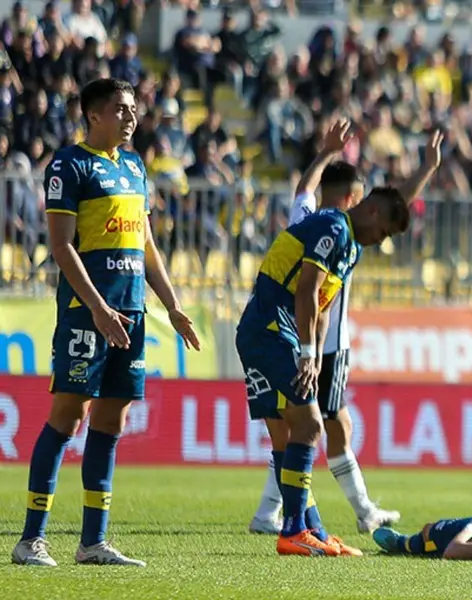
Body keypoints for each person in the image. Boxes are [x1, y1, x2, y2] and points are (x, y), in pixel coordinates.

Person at [13, 78, 202, 567]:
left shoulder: (136, 166)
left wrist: (172, 304)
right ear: (93, 114)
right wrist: (97, 307)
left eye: (133, 109)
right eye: (120, 109)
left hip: (133, 311)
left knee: (112, 420)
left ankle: (92, 542)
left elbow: (146, 244)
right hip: (87, 312)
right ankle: (31, 538)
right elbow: (61, 246)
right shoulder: (69, 165)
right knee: (68, 415)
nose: (131, 117)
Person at [235, 131, 437, 556]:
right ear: (366, 206)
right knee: (309, 426)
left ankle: (311, 528)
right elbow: (307, 290)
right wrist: (310, 353)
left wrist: (313, 353)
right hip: (270, 327)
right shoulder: (332, 225)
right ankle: (293, 530)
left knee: (294, 433)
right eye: (382, 231)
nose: (380, 240)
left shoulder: (347, 244)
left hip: (280, 331)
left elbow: (322, 307)